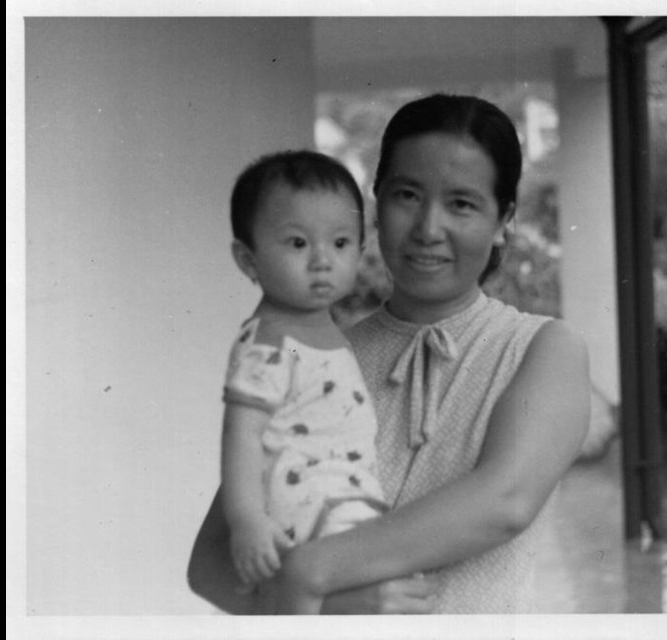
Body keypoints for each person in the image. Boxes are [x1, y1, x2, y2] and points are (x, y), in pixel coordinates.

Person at [271, 93, 592, 614]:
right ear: (375, 202)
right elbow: (215, 559)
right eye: (407, 195)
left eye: (461, 204)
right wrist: (329, 606)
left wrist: (309, 573)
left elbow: (504, 500)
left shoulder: (542, 349)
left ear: (504, 219)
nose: (427, 229)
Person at [219, 150, 389, 613]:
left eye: (339, 243)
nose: (321, 261)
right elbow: (243, 433)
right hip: (305, 511)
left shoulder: (313, 330)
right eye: (297, 244)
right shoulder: (274, 342)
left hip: (338, 507)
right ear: (248, 259)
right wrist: (246, 519)